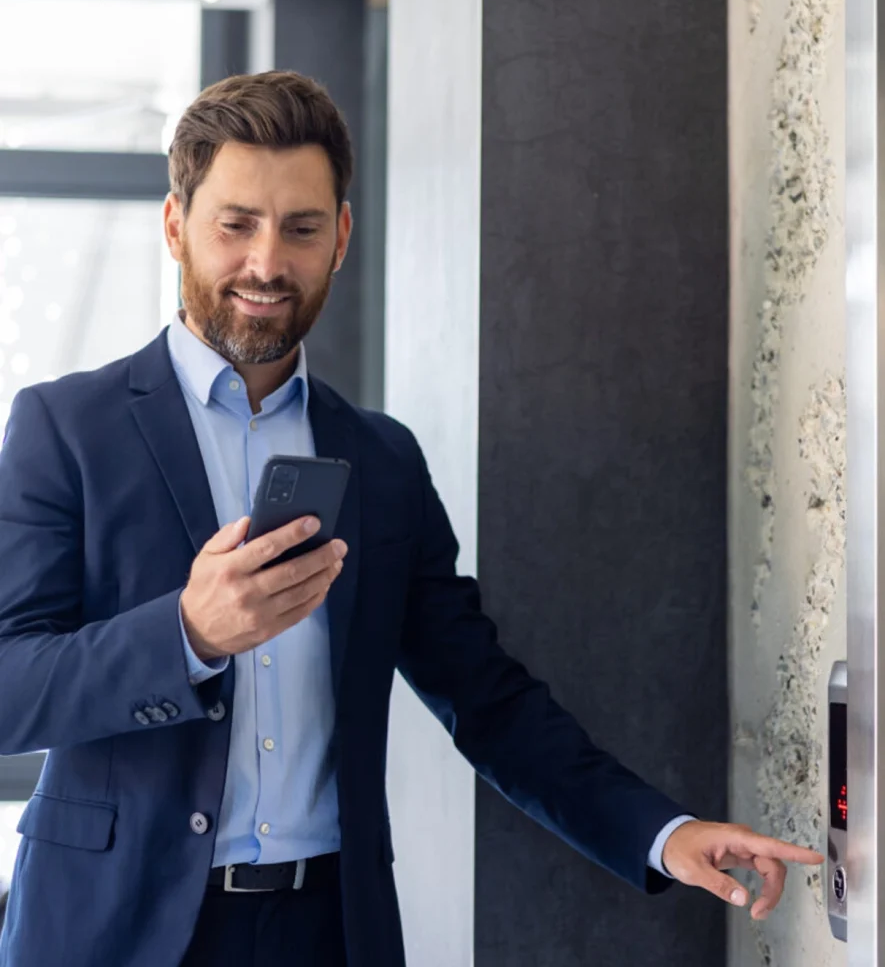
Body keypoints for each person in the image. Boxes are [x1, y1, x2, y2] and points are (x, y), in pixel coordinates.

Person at [0, 71, 822, 967]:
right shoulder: (65, 428)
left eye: (302, 228)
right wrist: (188, 633)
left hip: (327, 931)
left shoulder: (381, 460)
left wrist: (663, 832)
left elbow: (486, 696)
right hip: (108, 932)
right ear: (175, 225)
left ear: (341, 237)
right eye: (235, 224)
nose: (267, 263)